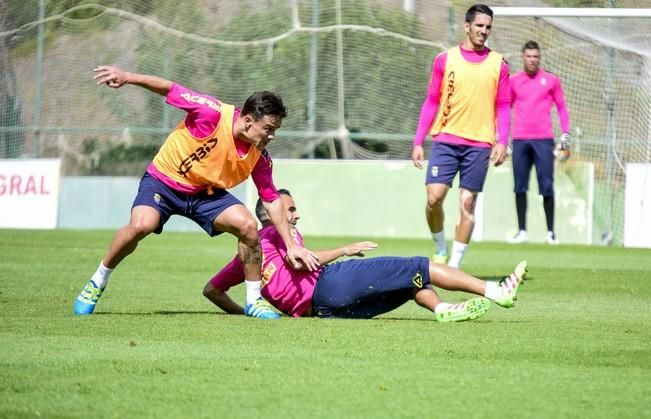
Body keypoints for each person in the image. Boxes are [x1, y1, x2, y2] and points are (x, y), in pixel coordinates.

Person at [73, 66, 319, 318]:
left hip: (205, 194)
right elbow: (170, 88)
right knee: (141, 226)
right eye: (268, 128)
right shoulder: (211, 113)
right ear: (247, 121)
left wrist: (291, 246)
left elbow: (271, 200)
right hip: (164, 181)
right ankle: (97, 281)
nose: (272, 136)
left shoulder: (259, 158)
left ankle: (254, 300)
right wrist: (127, 78)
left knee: (247, 225)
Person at [204, 189, 528, 321]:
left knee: (407, 283)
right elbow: (300, 259)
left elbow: (212, 290)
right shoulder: (277, 234)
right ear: (272, 214)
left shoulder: (244, 261)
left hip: (324, 313)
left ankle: (443, 309)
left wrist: (247, 310)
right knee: (421, 266)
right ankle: (497, 290)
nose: (295, 215)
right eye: (290, 209)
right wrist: (344, 250)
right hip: (330, 284)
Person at [411, 4, 510, 269]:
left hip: (479, 145)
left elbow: (503, 105)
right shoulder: (445, 59)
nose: (484, 31)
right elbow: (432, 101)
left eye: (488, 27)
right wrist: (418, 141)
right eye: (479, 26)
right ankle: (440, 247)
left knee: (468, 203)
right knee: (433, 199)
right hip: (445, 141)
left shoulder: (499, 64)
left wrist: (503, 141)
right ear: (467, 26)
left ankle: (453, 266)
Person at [508, 40, 571, 245]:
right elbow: (504, 109)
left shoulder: (551, 80)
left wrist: (565, 133)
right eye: (529, 56)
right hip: (519, 140)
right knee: (519, 186)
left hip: (544, 140)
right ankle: (522, 231)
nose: (532, 60)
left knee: (547, 186)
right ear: (523, 57)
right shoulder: (514, 81)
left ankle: (551, 233)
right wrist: (501, 139)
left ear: (539, 58)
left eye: (536, 56)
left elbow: (561, 107)